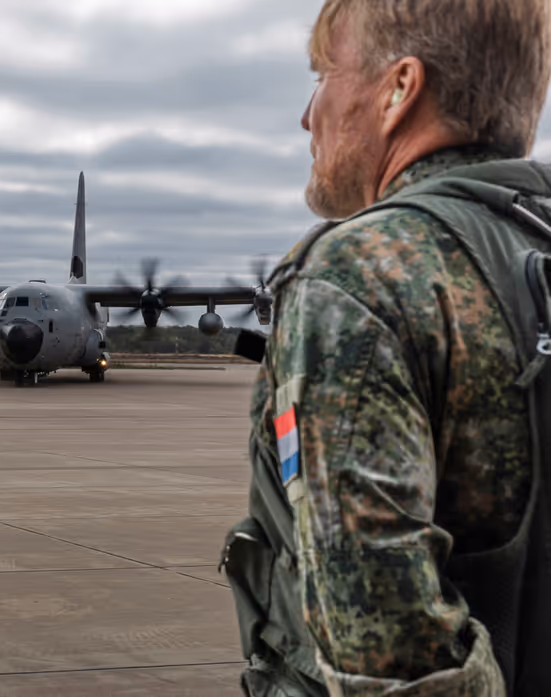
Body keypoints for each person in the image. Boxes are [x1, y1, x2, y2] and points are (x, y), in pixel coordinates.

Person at [222, 1, 551, 695]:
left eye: (322, 74)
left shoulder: (359, 275)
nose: (306, 114)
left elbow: (393, 656)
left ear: (399, 89)